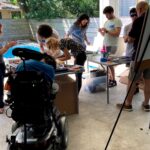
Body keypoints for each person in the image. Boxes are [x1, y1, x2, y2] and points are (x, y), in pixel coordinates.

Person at [116, 1, 149, 112]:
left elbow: (131, 39)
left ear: (139, 9)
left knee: (132, 81)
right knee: (148, 81)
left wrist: (127, 37)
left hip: (139, 57)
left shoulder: (138, 21)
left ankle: (128, 104)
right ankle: (146, 104)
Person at [98, 6, 122, 87]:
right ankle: (110, 79)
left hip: (112, 45)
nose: (106, 16)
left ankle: (113, 80)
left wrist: (107, 31)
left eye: (107, 14)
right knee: (105, 63)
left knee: (110, 63)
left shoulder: (117, 21)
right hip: (105, 45)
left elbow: (117, 34)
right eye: (105, 15)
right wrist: (101, 31)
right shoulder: (106, 22)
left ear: (112, 12)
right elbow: (104, 35)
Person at [0, 24, 17, 114]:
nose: (1, 32)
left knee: (2, 83)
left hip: (1, 63)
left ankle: (1, 103)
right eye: (0, 30)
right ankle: (0, 106)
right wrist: (8, 46)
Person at [123, 8, 139, 95]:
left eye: (135, 14)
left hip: (138, 53)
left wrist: (130, 38)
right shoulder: (127, 27)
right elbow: (125, 40)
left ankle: (135, 87)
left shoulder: (141, 26)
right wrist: (130, 38)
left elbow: (132, 39)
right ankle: (135, 88)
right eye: (132, 15)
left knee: (138, 73)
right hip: (129, 52)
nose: (134, 16)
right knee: (131, 72)